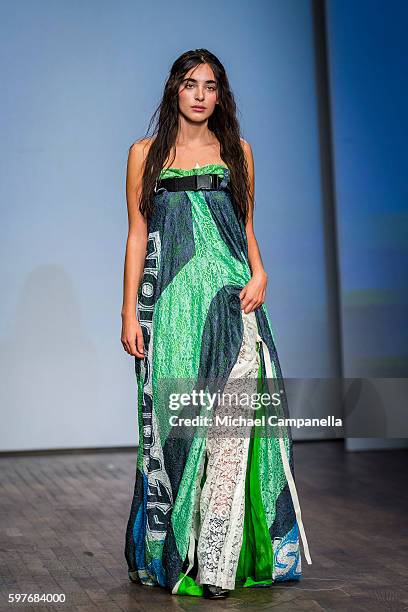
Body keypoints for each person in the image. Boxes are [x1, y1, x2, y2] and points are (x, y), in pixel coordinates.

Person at [121, 48, 312, 599]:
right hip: (173, 313)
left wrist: (260, 272)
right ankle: (176, 552)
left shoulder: (238, 153)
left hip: (235, 302)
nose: (201, 94)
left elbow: (246, 227)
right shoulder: (145, 154)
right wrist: (130, 310)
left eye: (211, 85)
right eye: (190, 83)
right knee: (182, 432)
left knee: (231, 432)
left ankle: (218, 566)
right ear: (174, 90)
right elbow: (137, 234)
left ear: (220, 95)